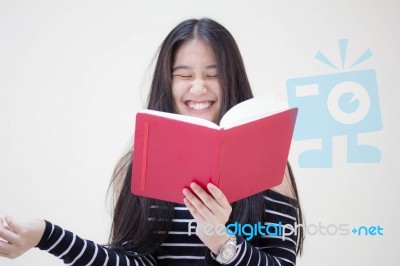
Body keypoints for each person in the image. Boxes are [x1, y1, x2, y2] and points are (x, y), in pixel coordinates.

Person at [0, 18, 304, 265]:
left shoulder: (270, 164)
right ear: (166, 82)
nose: (198, 88)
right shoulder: (139, 165)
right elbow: (134, 261)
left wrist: (221, 242)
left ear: (232, 79)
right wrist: (45, 234)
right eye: (183, 75)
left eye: (213, 74)